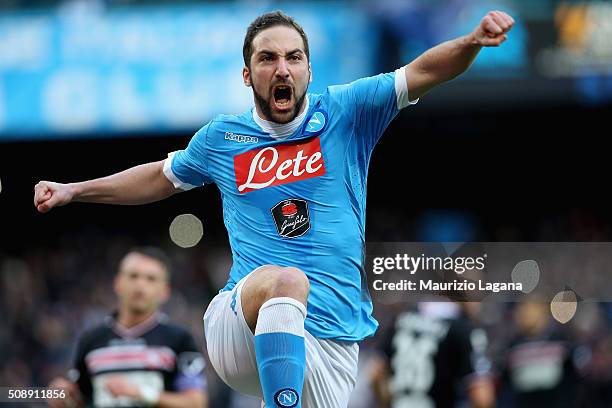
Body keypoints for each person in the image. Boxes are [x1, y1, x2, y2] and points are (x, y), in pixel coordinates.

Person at [34, 10, 514, 408]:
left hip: (331, 339)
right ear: (248, 75)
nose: (281, 68)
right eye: (267, 59)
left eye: (293, 58)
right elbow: (159, 178)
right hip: (240, 323)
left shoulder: (348, 111)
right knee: (286, 280)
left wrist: (472, 40)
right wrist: (76, 189)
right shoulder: (223, 138)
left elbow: (426, 70)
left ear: (309, 69)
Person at [47, 247, 208, 408]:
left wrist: (142, 393)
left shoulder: (180, 339)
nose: (140, 285)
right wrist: (62, 397)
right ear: (117, 283)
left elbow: (196, 403)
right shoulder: (91, 340)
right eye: (133, 276)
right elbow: (79, 398)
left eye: (151, 279)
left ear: (165, 291)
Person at [371, 302, 495, 408]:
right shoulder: (464, 328)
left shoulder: (403, 318)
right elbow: (482, 397)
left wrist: (387, 403)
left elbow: (375, 373)